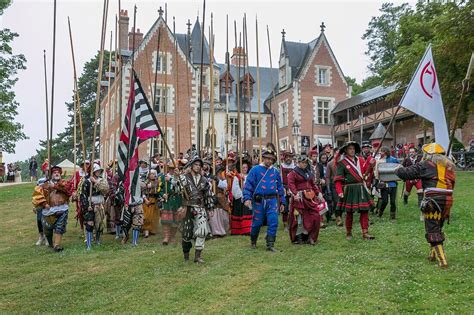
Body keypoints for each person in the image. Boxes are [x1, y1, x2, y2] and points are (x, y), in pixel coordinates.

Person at [395, 143, 456, 268]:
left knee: (432, 227)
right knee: (438, 225)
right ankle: (432, 254)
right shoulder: (448, 165)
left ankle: (442, 260)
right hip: (448, 200)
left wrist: (398, 169)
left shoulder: (425, 164)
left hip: (433, 200)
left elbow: (406, 173)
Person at [243, 146, 286, 252]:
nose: (269, 161)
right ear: (263, 158)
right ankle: (253, 240)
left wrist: (283, 202)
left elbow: (280, 187)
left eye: (271, 159)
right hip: (259, 200)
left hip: (272, 200)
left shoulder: (275, 172)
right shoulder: (255, 170)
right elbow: (248, 185)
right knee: (257, 223)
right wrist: (247, 198)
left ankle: (270, 244)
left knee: (273, 221)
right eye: (267, 158)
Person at [176, 157, 215, 263]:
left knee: (203, 230)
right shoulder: (184, 178)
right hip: (187, 208)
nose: (198, 166)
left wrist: (210, 207)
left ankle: (197, 256)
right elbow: (177, 191)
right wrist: (178, 180)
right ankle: (186, 255)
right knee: (187, 233)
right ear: (191, 166)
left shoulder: (204, 180)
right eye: (196, 164)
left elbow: (208, 195)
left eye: (199, 165)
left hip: (200, 208)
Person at [334, 141, 376, 240]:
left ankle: (365, 232)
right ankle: (348, 232)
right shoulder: (342, 163)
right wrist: (340, 191)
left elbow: (366, 173)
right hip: (349, 189)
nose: (352, 150)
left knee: (364, 211)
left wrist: (371, 164)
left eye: (353, 148)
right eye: (350, 149)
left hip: (361, 188)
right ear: (346, 150)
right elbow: (337, 180)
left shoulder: (361, 160)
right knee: (349, 212)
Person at [32, 165, 72, 252]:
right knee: (48, 229)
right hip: (48, 211)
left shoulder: (64, 183)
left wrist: (54, 186)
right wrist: (44, 204)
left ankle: (57, 245)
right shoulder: (45, 184)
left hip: (62, 210)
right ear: (51, 175)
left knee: (59, 227)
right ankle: (50, 243)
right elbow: (37, 195)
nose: (56, 174)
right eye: (54, 173)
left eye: (58, 172)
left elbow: (68, 191)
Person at [287, 154, 323, 245]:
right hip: (299, 198)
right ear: (298, 163)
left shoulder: (309, 172)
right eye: (302, 162)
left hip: (310, 197)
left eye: (305, 163)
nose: (304, 164)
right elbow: (291, 184)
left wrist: (318, 193)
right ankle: (299, 238)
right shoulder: (293, 173)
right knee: (299, 219)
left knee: (315, 216)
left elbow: (313, 184)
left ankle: (311, 237)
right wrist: (295, 194)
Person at [80, 163, 109, 250]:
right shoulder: (86, 182)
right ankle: (89, 244)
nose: (98, 172)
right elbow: (83, 195)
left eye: (99, 171)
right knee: (89, 224)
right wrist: (86, 206)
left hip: (99, 205)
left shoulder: (102, 180)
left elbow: (106, 189)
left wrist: (95, 182)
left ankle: (98, 240)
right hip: (90, 205)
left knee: (99, 224)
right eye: (96, 171)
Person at [159, 162, 183, 245]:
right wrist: (163, 194)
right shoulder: (163, 177)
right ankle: (166, 236)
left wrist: (171, 180)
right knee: (166, 220)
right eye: (171, 168)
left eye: (174, 168)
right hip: (168, 200)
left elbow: (181, 188)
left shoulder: (180, 177)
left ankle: (172, 236)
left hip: (177, 200)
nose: (172, 170)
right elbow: (160, 189)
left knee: (176, 220)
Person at [375, 146, 399, 219]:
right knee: (385, 201)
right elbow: (377, 173)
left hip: (393, 183)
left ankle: (393, 216)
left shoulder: (393, 160)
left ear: (385, 152)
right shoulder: (379, 161)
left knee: (392, 201)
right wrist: (377, 181)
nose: (380, 153)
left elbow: (400, 167)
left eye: (381, 151)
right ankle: (380, 213)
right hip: (384, 184)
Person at [229, 159, 253, 235]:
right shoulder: (237, 177)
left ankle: (247, 229)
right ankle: (238, 230)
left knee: (247, 212)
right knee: (240, 213)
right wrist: (241, 195)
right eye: (243, 167)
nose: (244, 169)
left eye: (246, 167)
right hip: (240, 198)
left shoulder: (250, 176)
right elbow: (234, 189)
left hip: (248, 197)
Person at [208, 164, 230, 237]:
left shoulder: (222, 179)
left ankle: (224, 230)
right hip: (213, 198)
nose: (219, 173)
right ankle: (216, 232)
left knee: (224, 216)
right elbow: (208, 188)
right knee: (214, 217)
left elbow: (225, 185)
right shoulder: (210, 179)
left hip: (221, 199)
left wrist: (218, 180)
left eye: (220, 172)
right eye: (218, 172)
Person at [141, 169, 160, 238]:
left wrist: (152, 186)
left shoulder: (157, 182)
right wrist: (145, 199)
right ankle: (146, 230)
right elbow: (142, 192)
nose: (152, 175)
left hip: (154, 200)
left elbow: (157, 191)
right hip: (146, 200)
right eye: (151, 174)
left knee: (153, 216)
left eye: (153, 174)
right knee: (146, 216)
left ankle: (151, 230)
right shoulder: (145, 182)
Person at [280, 150, 295, 231]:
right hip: (284, 188)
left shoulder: (295, 167)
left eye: (290, 157)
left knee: (293, 206)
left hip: (293, 188)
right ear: (284, 158)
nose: (288, 158)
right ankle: (285, 224)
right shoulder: (281, 167)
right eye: (287, 157)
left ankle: (292, 223)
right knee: (285, 206)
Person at [32, 178, 49, 246]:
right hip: (40, 208)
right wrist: (34, 206)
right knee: (39, 221)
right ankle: (41, 236)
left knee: (46, 222)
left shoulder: (48, 189)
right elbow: (36, 198)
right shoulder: (38, 190)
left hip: (48, 208)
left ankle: (47, 237)